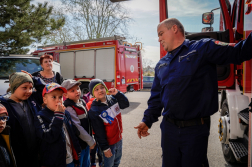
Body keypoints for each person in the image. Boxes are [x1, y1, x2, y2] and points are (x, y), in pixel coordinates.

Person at [134, 18, 252, 167]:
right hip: (169, 130)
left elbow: (238, 52)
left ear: (174, 29)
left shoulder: (202, 48)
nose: (159, 39)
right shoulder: (161, 65)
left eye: (161, 33)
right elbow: (156, 99)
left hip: (195, 130)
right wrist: (146, 121)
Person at [0, 71, 45, 167]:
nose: (29, 91)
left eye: (30, 88)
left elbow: (44, 90)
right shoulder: (3, 105)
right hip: (17, 152)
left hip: (35, 150)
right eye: (24, 88)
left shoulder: (32, 99)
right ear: (13, 87)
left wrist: (34, 79)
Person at [34, 83, 81, 167]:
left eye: (60, 97)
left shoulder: (65, 113)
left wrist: (77, 152)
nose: (58, 100)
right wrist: (58, 115)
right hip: (54, 162)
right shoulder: (40, 116)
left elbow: (72, 134)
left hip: (70, 158)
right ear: (45, 100)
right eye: (54, 97)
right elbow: (48, 136)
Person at [88, 79, 129, 167]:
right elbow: (99, 133)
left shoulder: (112, 99)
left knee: (116, 163)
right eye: (96, 89)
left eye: (102, 87)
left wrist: (118, 93)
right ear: (93, 93)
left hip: (118, 139)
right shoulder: (94, 110)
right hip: (108, 144)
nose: (100, 90)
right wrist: (105, 148)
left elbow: (125, 104)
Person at [62, 79, 96, 167]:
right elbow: (77, 127)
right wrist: (90, 141)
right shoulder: (69, 107)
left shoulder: (82, 102)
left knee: (86, 163)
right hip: (79, 145)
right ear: (65, 95)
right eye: (72, 90)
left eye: (78, 88)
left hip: (86, 143)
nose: (77, 91)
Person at [86, 94, 103, 167]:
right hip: (99, 131)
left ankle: (93, 163)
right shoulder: (100, 104)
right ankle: (101, 162)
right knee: (100, 148)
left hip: (91, 132)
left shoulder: (87, 104)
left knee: (92, 149)